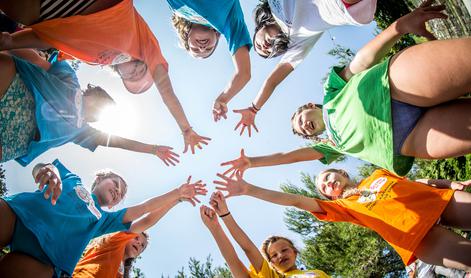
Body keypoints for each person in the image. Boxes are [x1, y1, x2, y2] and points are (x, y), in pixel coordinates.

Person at [222, 1, 471, 176]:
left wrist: (398, 27)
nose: (303, 127)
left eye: (300, 120)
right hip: (407, 139)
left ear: (310, 106)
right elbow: (290, 157)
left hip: (393, 85)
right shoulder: (332, 145)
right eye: (304, 132)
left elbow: (359, 62)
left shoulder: (331, 92)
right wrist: (252, 162)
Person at [0, 0, 210, 154]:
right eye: (141, 70)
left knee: (15, 8)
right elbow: (167, 92)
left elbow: (55, 38)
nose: (136, 73)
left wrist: (11, 42)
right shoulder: (145, 45)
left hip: (49, 14)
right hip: (101, 6)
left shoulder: (95, 59)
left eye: (132, 77)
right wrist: (186, 128)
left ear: (120, 75)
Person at [213, 169, 471, 272]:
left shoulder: (377, 175)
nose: (327, 182)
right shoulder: (342, 207)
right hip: (418, 238)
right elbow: (295, 201)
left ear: (342, 173)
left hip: (440, 202)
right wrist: (250, 190)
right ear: (327, 195)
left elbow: (416, 183)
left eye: (327, 176)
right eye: (323, 186)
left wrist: (449, 184)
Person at [0, 160, 206, 277]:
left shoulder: (105, 219)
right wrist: (47, 170)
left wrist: (177, 194)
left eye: (121, 193)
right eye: (115, 184)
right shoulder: (73, 179)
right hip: (20, 214)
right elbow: (42, 168)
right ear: (99, 178)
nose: (118, 191)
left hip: (45, 258)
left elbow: (145, 211)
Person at [0, 50, 179, 166]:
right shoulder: (72, 82)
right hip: (19, 96)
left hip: (18, 138)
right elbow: (37, 61)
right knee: (6, 63)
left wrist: (152, 149)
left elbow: (118, 142)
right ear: (94, 92)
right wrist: (8, 48)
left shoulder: (81, 131)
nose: (98, 109)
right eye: (103, 103)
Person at [233, 0, 377, 136]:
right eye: (269, 53)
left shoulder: (273, 3)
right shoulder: (295, 44)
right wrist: (253, 109)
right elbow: (272, 81)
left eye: (258, 46)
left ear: (258, 28)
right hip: (339, 5)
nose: (266, 48)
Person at [74, 181, 197, 278]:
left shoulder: (123, 271)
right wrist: (177, 197)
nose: (139, 243)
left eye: (142, 245)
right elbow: (148, 220)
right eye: (137, 238)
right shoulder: (115, 241)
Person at [200, 192, 330, 277]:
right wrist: (220, 221)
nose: (280, 255)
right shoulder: (271, 276)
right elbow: (244, 252)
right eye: (273, 255)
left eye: (284, 250)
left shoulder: (318, 273)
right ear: (270, 263)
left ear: (295, 251)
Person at [167, 0, 252, 122]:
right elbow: (244, 73)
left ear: (186, 36)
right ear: (217, 37)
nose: (202, 48)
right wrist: (223, 98)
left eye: (195, 49)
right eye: (209, 49)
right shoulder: (229, 23)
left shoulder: (177, 7)